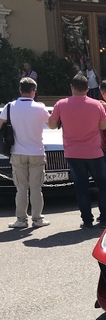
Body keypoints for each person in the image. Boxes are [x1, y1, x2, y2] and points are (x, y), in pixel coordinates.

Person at [48, 73, 106, 229]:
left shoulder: (61, 104)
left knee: (81, 187)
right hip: (94, 152)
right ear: (87, 89)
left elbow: (51, 125)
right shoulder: (96, 105)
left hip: (73, 152)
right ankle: (104, 217)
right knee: (103, 185)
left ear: (72, 87)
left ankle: (87, 219)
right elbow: (104, 126)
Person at [0, 77, 51, 228]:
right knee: (36, 187)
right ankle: (37, 219)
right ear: (34, 91)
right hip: (37, 151)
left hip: (17, 152)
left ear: (20, 90)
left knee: (21, 187)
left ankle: (21, 220)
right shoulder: (40, 108)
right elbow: (52, 125)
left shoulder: (9, 107)